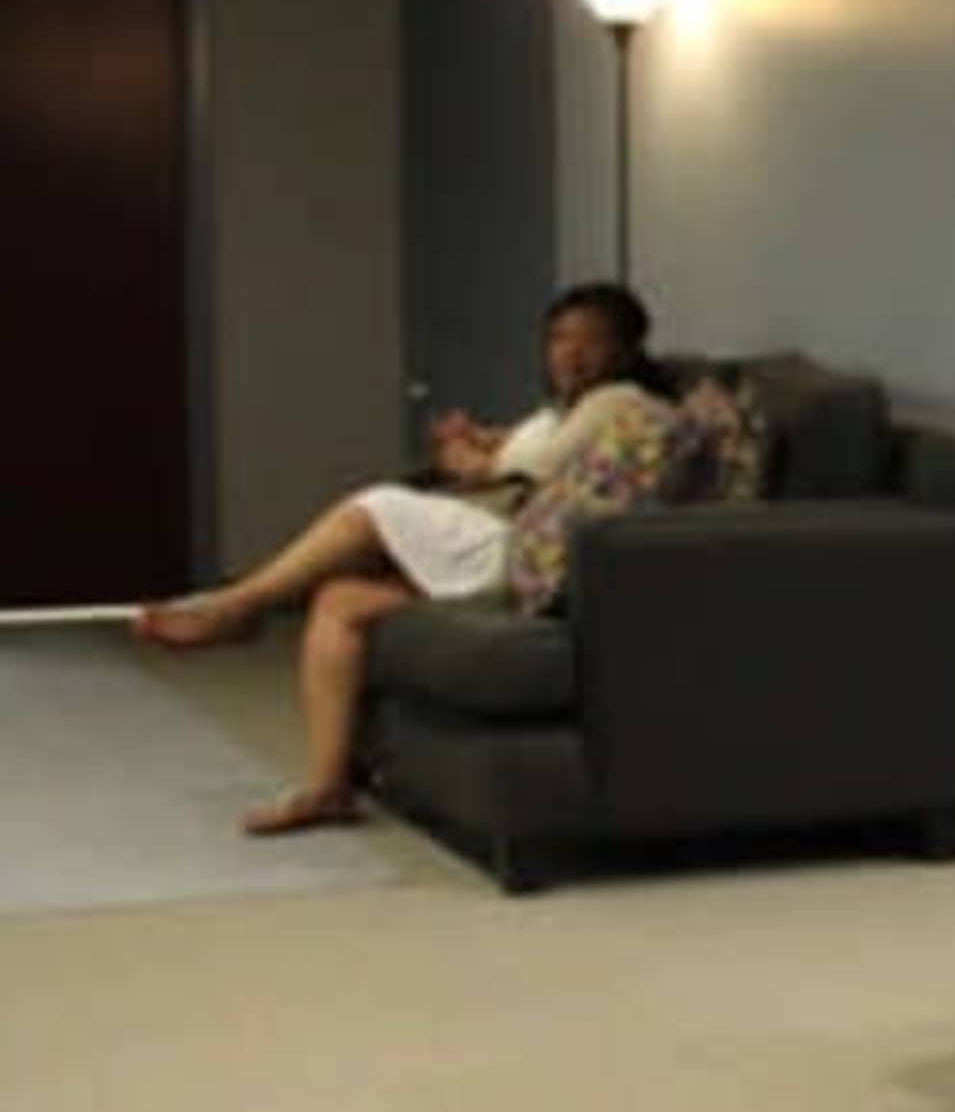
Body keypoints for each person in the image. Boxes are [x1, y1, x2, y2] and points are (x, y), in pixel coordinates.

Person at [133, 282, 669, 835]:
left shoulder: (619, 400)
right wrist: (477, 441)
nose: (571, 354)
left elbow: (533, 468)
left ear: (625, 351)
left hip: (525, 545)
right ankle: (327, 788)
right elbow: (519, 446)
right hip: (505, 534)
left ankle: (240, 604)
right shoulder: (565, 409)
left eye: (591, 342)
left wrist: (472, 460)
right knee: (340, 602)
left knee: (371, 508)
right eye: (559, 339)